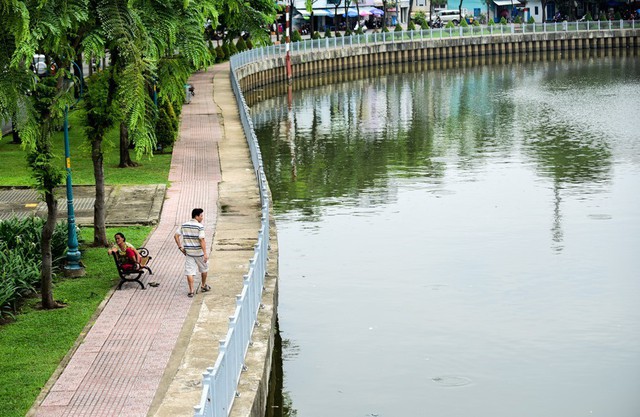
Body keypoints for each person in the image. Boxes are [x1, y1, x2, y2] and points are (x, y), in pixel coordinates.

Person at [175, 208, 210, 297]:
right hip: (199, 253)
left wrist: (180, 247)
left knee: (189, 272)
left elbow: (176, 236)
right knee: (204, 269)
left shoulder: (184, 225)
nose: (202, 218)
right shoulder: (200, 226)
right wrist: (205, 253)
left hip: (189, 253)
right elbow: (202, 240)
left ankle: (191, 291)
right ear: (197, 216)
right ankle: (203, 285)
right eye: (201, 216)